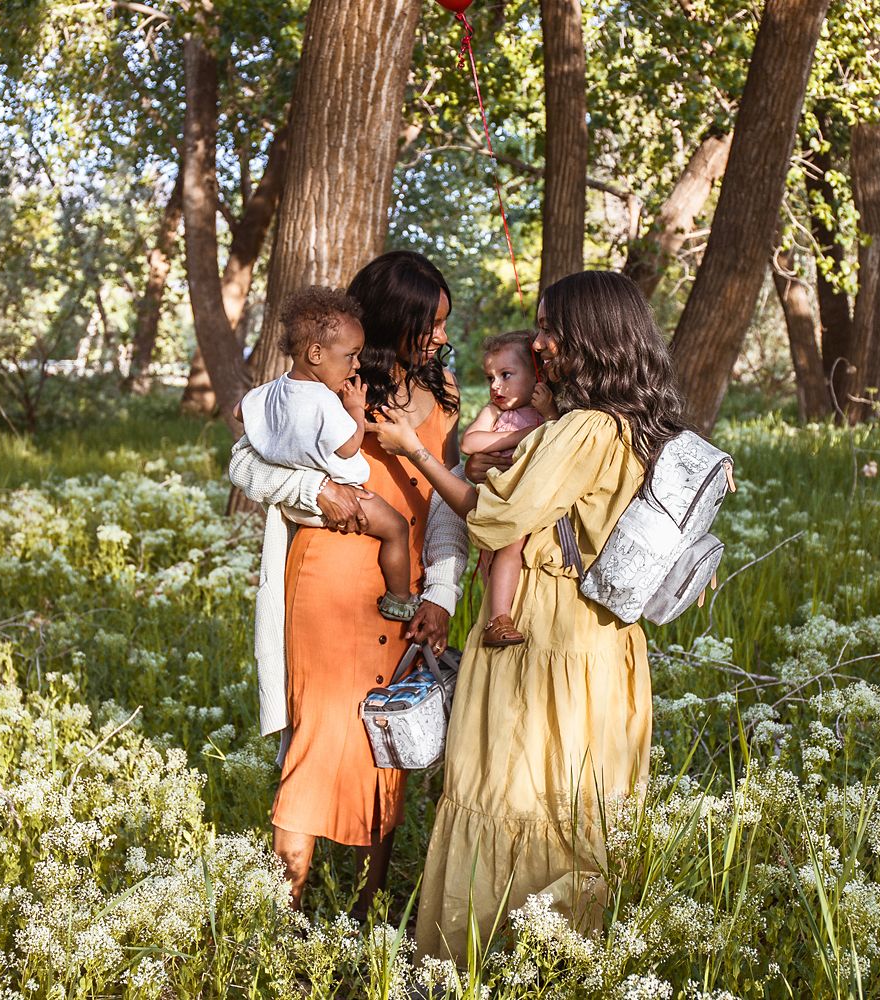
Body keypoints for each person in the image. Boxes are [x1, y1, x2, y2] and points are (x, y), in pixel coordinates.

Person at [369, 270, 689, 960]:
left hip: (541, 632)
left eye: (550, 327)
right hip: (600, 638)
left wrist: (420, 454)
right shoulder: (635, 423)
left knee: (512, 786)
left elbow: (492, 516)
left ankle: (485, 959)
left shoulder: (581, 430)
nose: (540, 342)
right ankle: (560, 957)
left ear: (588, 337)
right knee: (572, 798)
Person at [228, 251, 469, 918]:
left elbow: (450, 508)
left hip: (406, 591)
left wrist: (441, 597)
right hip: (330, 581)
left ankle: (366, 912)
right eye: (432, 324)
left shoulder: (444, 393)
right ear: (397, 320)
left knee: (390, 741)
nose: (442, 338)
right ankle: (287, 916)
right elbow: (243, 464)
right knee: (319, 737)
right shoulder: (330, 384)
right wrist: (316, 488)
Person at [235, 287, 418, 621]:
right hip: (347, 498)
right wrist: (355, 410)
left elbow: (238, 411)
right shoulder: (323, 400)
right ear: (316, 354)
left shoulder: (271, 389)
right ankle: (401, 599)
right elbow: (348, 446)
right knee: (396, 528)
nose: (357, 364)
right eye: (351, 355)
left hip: (296, 507)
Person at [460, 330, 558, 646]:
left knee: (512, 552)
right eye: (490, 377)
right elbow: (470, 442)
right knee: (503, 550)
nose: (495, 386)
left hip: (529, 499)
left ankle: (502, 615)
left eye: (506, 375)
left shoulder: (545, 410)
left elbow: (554, 435)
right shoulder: (496, 412)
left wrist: (545, 417)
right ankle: (497, 619)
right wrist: (521, 435)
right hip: (500, 499)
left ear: (537, 374)